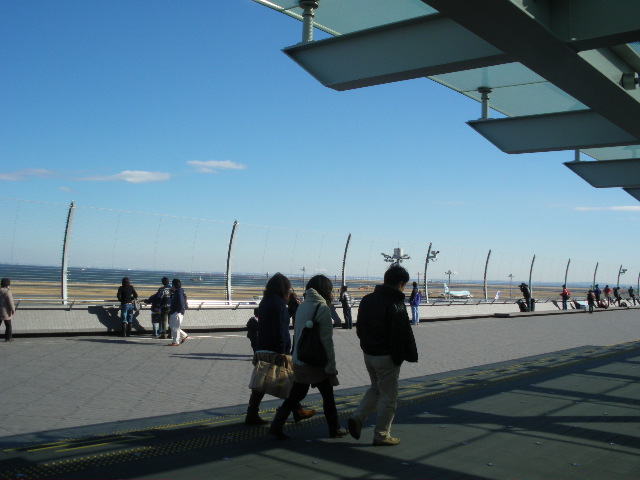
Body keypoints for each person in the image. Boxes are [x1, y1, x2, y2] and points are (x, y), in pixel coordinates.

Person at [268, 275, 348, 440]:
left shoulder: (302, 306)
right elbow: (327, 342)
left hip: (301, 359)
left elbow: (298, 334)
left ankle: (276, 425)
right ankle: (334, 428)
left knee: (295, 395)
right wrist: (331, 367)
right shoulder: (322, 308)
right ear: (325, 290)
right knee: (328, 397)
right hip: (317, 362)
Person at [348, 265, 418, 447]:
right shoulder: (395, 303)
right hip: (386, 357)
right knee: (389, 397)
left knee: (376, 389)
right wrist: (400, 356)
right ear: (401, 283)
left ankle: (358, 417)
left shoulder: (367, 299)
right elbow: (401, 334)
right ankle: (381, 434)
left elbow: (360, 328)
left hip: (369, 354)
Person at [245, 273, 315, 426]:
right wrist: (283, 351)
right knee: (289, 380)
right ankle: (296, 410)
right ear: (283, 288)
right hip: (275, 349)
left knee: (261, 382)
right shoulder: (278, 304)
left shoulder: (266, 301)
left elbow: (279, 320)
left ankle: (252, 413)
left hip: (263, 346)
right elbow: (280, 328)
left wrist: (290, 309)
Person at [168, 278, 189, 346]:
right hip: (176, 311)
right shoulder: (177, 292)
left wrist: (178, 311)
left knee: (175, 327)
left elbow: (181, 303)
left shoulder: (179, 293)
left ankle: (175, 341)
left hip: (177, 312)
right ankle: (184, 335)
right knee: (173, 326)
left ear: (174, 285)